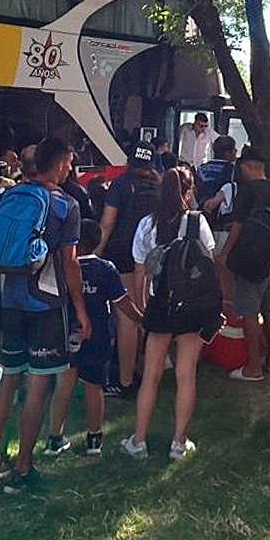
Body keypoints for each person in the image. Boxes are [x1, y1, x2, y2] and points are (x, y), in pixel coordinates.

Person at [0, 138, 90, 493]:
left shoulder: (8, 195)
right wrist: (81, 311)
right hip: (46, 304)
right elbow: (70, 264)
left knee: (8, 378)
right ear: (58, 164)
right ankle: (24, 467)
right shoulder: (65, 206)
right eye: (68, 163)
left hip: (9, 300)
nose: (70, 169)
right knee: (38, 385)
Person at [121, 166, 215, 461]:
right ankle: (179, 442)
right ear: (189, 191)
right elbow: (208, 263)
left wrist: (142, 307)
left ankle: (138, 440)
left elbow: (140, 270)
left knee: (151, 375)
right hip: (191, 305)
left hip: (159, 303)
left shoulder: (148, 224)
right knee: (186, 374)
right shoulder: (197, 221)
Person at [46, 220, 144, 457]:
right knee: (94, 387)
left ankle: (55, 438)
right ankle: (94, 439)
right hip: (98, 336)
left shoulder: (62, 267)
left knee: (64, 386)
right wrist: (142, 320)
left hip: (68, 334)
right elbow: (122, 303)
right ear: (98, 241)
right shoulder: (105, 269)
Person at [97, 141, 161, 398]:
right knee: (146, 311)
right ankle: (145, 371)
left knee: (127, 317)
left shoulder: (121, 184)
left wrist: (95, 254)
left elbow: (107, 222)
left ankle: (125, 381)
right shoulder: (160, 185)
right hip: (153, 255)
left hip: (122, 253)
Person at [220, 145, 270, 380]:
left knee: (249, 313)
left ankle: (253, 367)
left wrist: (225, 253)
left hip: (249, 259)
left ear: (248, 167)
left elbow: (238, 225)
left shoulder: (246, 190)